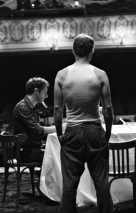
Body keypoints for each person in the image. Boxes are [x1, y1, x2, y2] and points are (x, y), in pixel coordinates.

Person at [54, 34, 113, 213]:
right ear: (92, 51)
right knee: (101, 182)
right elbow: (108, 109)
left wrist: (59, 134)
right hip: (95, 130)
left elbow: (57, 110)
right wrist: (107, 133)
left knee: (70, 185)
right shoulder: (100, 74)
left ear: (73, 50)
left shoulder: (62, 75)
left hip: (72, 131)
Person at [13, 77, 57, 163]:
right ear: (36, 91)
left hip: (32, 148)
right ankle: (44, 175)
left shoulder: (33, 107)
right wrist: (59, 128)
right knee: (56, 156)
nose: (47, 96)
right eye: (45, 92)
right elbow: (37, 131)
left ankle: (43, 175)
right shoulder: (23, 107)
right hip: (25, 152)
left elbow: (37, 130)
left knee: (57, 151)